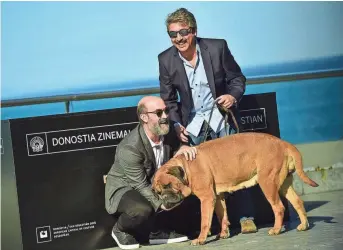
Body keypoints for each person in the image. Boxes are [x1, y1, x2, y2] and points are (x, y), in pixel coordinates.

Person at [158, 8, 257, 234]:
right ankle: (218, 225)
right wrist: (175, 124)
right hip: (193, 126)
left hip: (222, 121)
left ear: (193, 30)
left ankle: (246, 218)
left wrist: (232, 96)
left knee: (237, 168)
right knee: (199, 180)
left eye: (183, 32)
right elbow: (169, 99)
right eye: (173, 34)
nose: (179, 38)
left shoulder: (217, 47)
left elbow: (237, 78)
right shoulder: (165, 60)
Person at [105, 96, 197, 250]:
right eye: (159, 113)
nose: (165, 116)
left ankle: (155, 233)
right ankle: (120, 230)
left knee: (186, 191)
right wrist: (162, 204)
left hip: (151, 182)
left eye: (166, 111)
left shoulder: (168, 129)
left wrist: (182, 147)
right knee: (141, 210)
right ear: (144, 117)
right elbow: (140, 185)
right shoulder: (130, 147)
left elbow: (177, 140)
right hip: (125, 187)